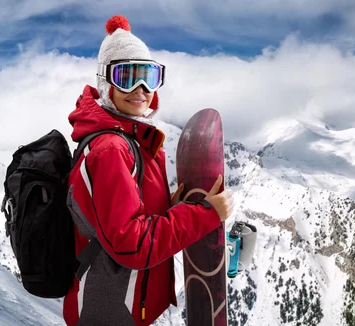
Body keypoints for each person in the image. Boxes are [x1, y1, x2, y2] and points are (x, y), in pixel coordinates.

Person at [63, 14, 235, 325]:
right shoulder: (111, 150)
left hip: (121, 308)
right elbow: (132, 244)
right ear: (106, 83)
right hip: (108, 314)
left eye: (149, 77)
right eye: (127, 77)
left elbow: (120, 218)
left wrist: (167, 207)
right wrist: (206, 214)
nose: (141, 89)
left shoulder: (131, 139)